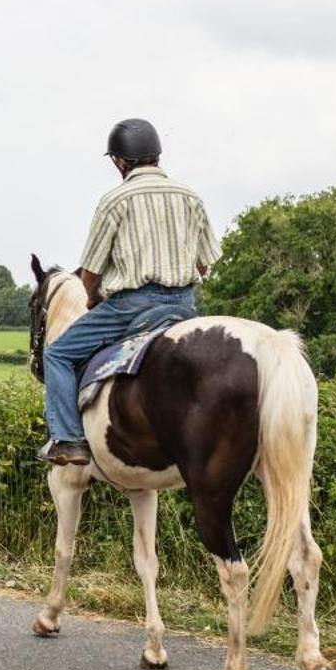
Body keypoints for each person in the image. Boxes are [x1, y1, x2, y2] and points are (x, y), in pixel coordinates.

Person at [40, 118, 220, 465]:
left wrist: (92, 299)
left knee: (57, 355)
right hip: (184, 305)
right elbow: (204, 265)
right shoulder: (190, 197)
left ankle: (68, 439)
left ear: (120, 162)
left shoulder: (114, 200)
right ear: (156, 155)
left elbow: (90, 272)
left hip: (130, 307)